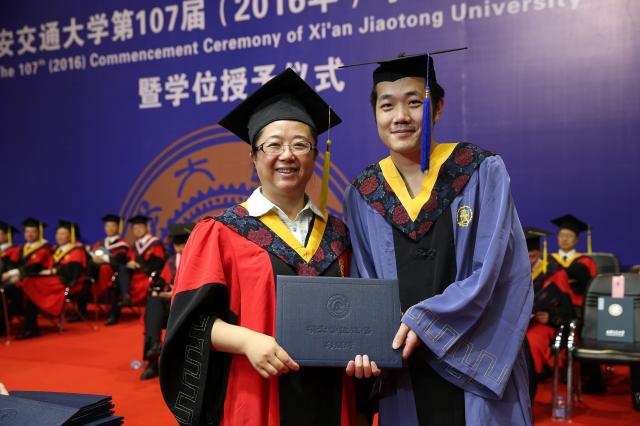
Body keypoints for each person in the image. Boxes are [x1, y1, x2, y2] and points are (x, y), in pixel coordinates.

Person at [160, 68, 359, 425]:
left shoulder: (339, 235)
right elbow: (190, 325)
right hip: (257, 392)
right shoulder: (221, 233)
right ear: (253, 156)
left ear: (316, 155)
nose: (287, 155)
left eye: (300, 144)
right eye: (273, 144)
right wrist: (247, 341)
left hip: (330, 394)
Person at [342, 53, 533, 425]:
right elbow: (364, 283)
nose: (400, 116)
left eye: (414, 102)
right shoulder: (363, 193)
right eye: (387, 105)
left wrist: (423, 322)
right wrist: (373, 336)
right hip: (404, 366)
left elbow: (496, 272)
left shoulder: (478, 170)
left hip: (471, 363)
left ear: (439, 107)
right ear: (375, 114)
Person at [522, 227, 574, 401]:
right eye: (525, 256)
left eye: (533, 257)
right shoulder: (512, 272)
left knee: (529, 344)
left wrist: (550, 316)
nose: (529, 261)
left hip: (541, 325)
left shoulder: (554, 273)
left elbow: (568, 310)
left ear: (539, 253)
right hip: (516, 323)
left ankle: (528, 393)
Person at [140, 223, 194, 381]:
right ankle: (154, 350)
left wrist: (176, 293)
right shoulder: (171, 262)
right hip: (170, 308)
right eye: (177, 245)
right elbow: (161, 282)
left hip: (189, 307)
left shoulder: (198, 260)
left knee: (153, 311)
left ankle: (155, 355)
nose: (179, 248)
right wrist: (158, 291)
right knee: (153, 302)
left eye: (183, 244)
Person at [18, 220, 87, 339]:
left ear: (70, 236)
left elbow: (72, 274)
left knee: (30, 284)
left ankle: (26, 322)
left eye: (63, 234)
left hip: (68, 287)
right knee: (29, 284)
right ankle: (29, 326)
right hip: (54, 282)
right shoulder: (56, 250)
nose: (59, 236)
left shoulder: (77, 251)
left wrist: (53, 271)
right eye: (58, 234)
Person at [105, 215, 165, 326]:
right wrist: (130, 263)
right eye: (135, 228)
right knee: (118, 279)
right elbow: (128, 259)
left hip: (147, 275)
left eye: (140, 227)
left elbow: (158, 264)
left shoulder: (155, 244)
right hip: (133, 276)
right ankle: (115, 312)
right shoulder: (134, 246)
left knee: (121, 280)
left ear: (147, 228)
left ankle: (126, 296)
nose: (137, 230)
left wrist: (140, 267)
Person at [1, 218, 53, 339]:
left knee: (24, 293)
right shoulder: (21, 248)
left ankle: (28, 326)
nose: (29, 234)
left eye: (33, 231)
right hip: (20, 281)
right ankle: (3, 325)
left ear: (39, 233)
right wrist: (10, 273)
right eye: (27, 231)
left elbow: (34, 266)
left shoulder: (44, 249)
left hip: (39, 283)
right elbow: (12, 263)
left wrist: (13, 274)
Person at [547, 214, 597, 309]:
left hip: (578, 306)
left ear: (576, 239)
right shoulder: (547, 260)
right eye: (561, 235)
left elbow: (591, 287)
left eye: (569, 236)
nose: (564, 239)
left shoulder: (586, 261)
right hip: (552, 307)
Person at [88, 214, 130, 302]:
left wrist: (103, 258)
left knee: (104, 268)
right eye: (107, 226)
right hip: (96, 271)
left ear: (118, 227)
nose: (110, 228)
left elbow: (121, 261)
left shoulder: (122, 244)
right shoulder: (100, 243)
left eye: (113, 226)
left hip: (113, 273)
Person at [0, 221, 20, 336]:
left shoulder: (15, 250)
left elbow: (14, 269)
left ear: (7, 235)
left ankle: (2, 325)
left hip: (10, 282)